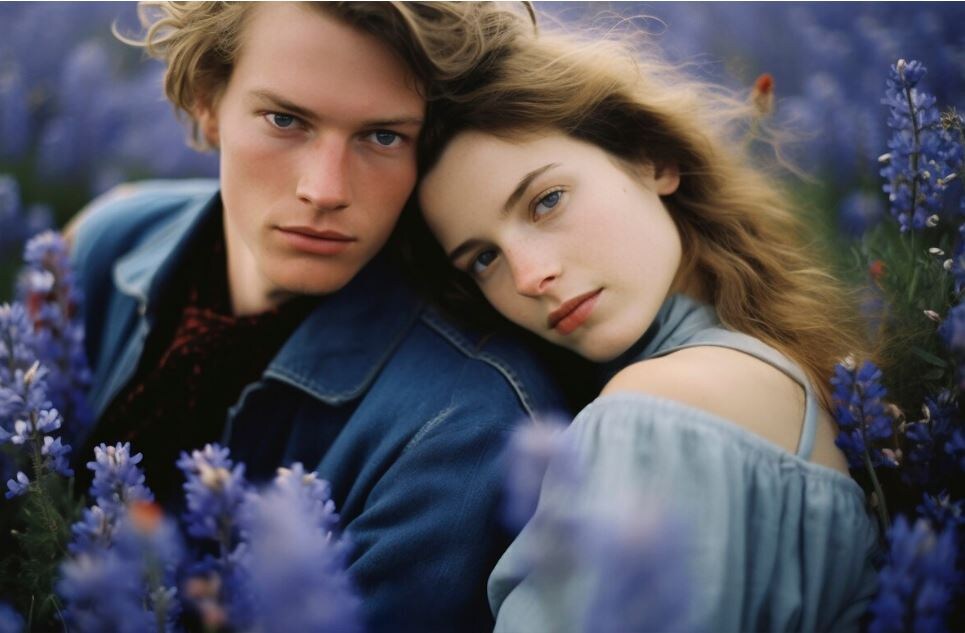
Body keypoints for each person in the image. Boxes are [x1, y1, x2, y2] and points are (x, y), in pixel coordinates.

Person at [64, 3, 566, 631]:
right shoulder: (109, 242)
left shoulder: (464, 424)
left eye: (383, 136)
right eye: (285, 120)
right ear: (208, 103)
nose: (325, 190)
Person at [414, 18, 882, 633]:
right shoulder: (773, 362)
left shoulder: (654, 409)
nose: (528, 277)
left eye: (547, 200)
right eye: (484, 258)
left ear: (652, 159)